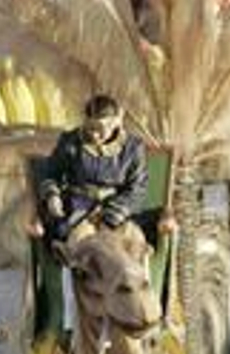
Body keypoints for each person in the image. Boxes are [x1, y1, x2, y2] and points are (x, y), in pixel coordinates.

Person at [37, 94, 147, 245]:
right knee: (78, 241)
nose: (94, 135)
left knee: (129, 242)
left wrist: (110, 215)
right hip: (77, 208)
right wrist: (52, 196)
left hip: (117, 210)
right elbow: (50, 173)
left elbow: (137, 187)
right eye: (90, 128)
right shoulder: (70, 141)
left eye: (100, 129)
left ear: (115, 122)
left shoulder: (133, 148)